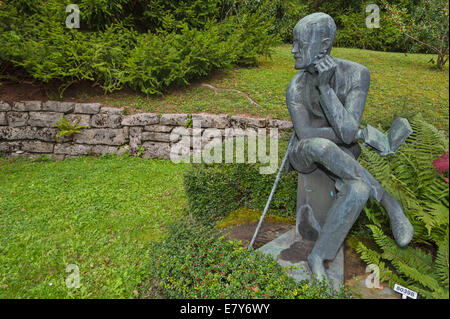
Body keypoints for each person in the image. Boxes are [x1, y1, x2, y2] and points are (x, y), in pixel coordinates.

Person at [286, 12, 414, 280]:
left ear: (323, 46)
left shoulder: (357, 74)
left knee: (358, 189)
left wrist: (326, 90)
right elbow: (308, 133)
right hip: (304, 153)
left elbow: (344, 135)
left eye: (300, 42)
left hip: (343, 158)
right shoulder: (295, 87)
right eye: (293, 42)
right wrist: (357, 132)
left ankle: (318, 255)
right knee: (320, 146)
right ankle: (389, 203)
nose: (293, 49)